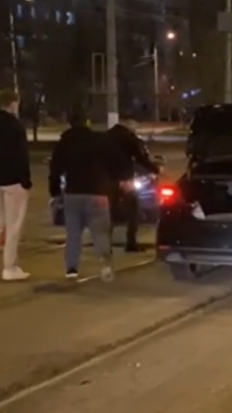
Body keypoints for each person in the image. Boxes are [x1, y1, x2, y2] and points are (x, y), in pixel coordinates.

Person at [49, 110, 132, 280]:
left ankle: (71, 269)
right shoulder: (100, 140)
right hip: (98, 193)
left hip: (73, 193)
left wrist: (55, 192)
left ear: (69, 123)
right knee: (100, 232)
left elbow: (55, 169)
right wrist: (120, 180)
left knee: (73, 233)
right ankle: (106, 265)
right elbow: (116, 161)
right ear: (87, 122)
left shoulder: (65, 142)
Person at [106, 120, 160, 252]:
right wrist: (155, 169)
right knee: (133, 210)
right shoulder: (129, 138)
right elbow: (140, 157)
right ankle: (131, 243)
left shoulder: (105, 137)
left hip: (108, 180)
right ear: (130, 127)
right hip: (125, 179)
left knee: (109, 211)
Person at [0, 90, 31, 281]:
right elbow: (22, 156)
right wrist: (25, 179)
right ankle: (9, 267)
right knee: (13, 226)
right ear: (13, 103)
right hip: (13, 181)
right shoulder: (15, 126)